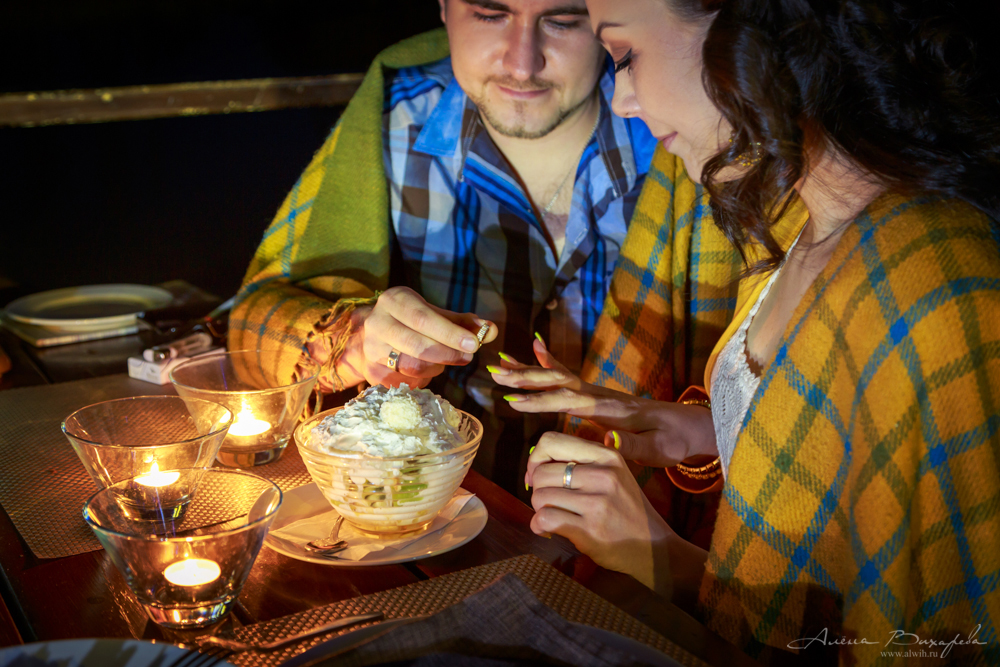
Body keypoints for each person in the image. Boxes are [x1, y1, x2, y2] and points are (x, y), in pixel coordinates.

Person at [492, 0, 1000, 663]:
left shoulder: (935, 288)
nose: (621, 99)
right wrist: (691, 430)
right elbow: (836, 436)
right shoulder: (809, 225)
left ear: (745, 31)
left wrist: (661, 556)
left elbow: (938, 642)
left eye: (626, 56)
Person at [228, 0, 674, 494]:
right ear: (443, 7)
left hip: (649, 517)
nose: (522, 63)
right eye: (490, 14)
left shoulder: (678, 133)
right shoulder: (396, 119)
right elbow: (251, 328)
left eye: (563, 21)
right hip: (447, 505)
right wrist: (356, 341)